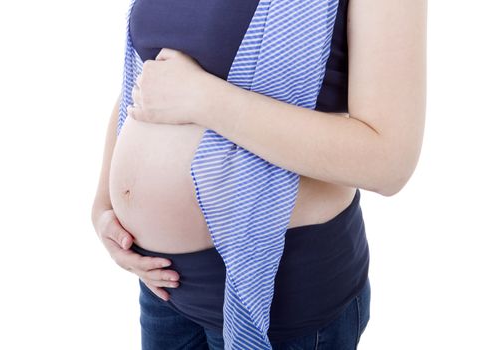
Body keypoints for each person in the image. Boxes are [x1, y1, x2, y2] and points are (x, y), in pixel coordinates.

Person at [91, 0, 427, 348]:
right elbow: (151, 78)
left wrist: (206, 99)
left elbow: (388, 161)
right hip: (163, 291)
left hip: (284, 303)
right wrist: (105, 205)